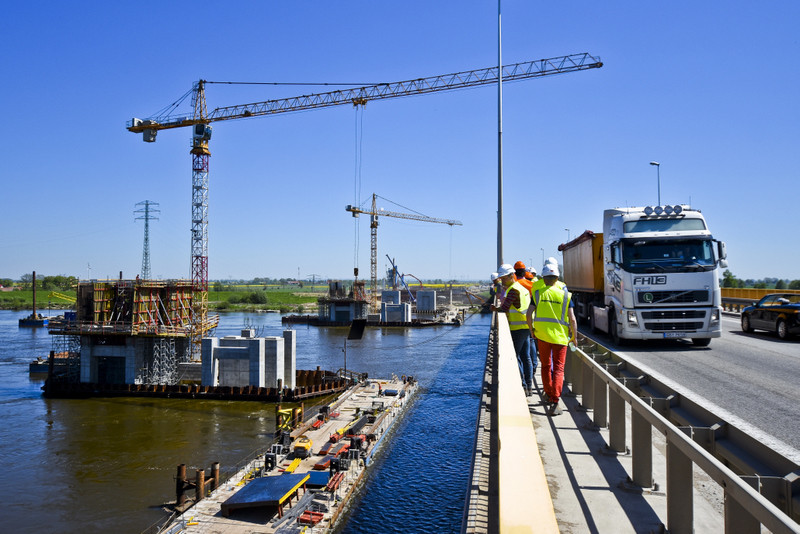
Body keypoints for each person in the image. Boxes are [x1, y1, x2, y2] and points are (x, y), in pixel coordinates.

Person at [528, 262, 577, 416]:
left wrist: (532, 330)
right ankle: (555, 402)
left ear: (543, 277)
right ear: (557, 277)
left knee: (545, 365)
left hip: (542, 335)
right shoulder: (565, 294)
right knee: (558, 369)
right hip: (561, 338)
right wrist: (574, 337)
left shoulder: (538, 293)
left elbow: (528, 314)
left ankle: (548, 394)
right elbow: (573, 320)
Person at [491, 263, 534, 396]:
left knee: (514, 357)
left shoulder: (513, 290)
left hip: (517, 328)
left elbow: (504, 308)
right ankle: (529, 386)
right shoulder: (522, 289)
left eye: (504, 278)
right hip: (526, 326)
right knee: (526, 357)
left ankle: (522, 385)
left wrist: (495, 308)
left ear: (511, 276)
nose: (502, 281)